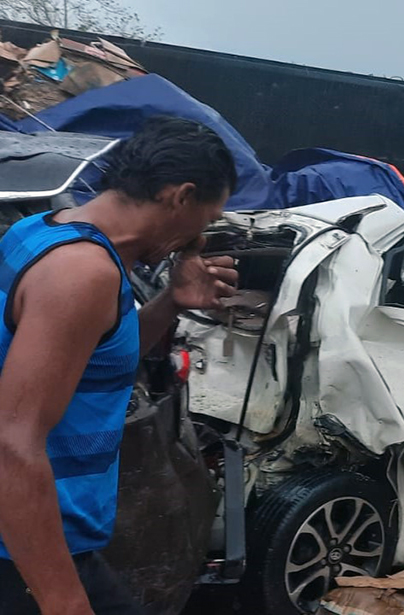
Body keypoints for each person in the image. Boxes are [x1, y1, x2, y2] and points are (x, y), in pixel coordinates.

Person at [0, 117, 240, 615]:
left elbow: (97, 362)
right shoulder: (82, 272)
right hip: (23, 549)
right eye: (208, 217)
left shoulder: (44, 231)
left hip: (45, 537)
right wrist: (62, 599)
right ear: (181, 197)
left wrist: (172, 301)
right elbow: (13, 442)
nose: (201, 236)